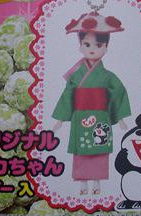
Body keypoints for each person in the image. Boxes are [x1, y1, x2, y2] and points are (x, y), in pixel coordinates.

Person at [52, 12, 131, 195]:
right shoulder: (76, 76)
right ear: (80, 46)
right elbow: (67, 95)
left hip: (101, 118)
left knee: (99, 150)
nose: (92, 49)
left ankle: (97, 183)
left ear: (106, 47)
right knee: (81, 151)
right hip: (80, 117)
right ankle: (82, 184)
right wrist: (60, 119)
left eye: (98, 45)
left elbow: (117, 93)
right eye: (87, 44)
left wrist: (120, 118)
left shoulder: (107, 76)